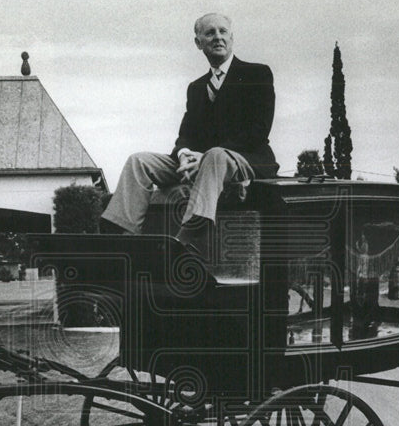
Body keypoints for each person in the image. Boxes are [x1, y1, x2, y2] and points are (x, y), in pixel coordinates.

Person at [100, 13, 278, 257]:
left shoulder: (257, 74)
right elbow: (185, 136)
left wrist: (202, 157)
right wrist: (184, 155)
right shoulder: (196, 88)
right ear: (198, 43)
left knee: (215, 156)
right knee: (138, 160)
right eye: (210, 33)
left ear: (232, 38)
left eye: (222, 31)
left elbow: (258, 131)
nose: (217, 37)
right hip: (200, 162)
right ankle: (123, 237)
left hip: (246, 160)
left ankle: (187, 237)